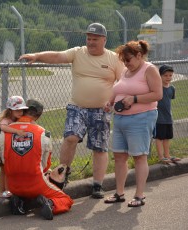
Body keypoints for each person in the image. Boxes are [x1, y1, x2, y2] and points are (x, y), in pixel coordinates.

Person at [18, 23, 124, 199]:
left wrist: (116, 102)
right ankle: (62, 175)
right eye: (88, 38)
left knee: (100, 147)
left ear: (104, 40)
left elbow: (123, 83)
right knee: (70, 137)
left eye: (95, 39)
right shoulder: (78, 52)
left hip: (101, 110)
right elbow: (57, 56)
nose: (90, 42)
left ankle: (97, 185)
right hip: (77, 107)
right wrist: (37, 56)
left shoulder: (114, 59)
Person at [0, 99, 74, 220]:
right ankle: (51, 204)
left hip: (12, 186)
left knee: (23, 188)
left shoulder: (2, 132)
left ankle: (19, 200)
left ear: (22, 110)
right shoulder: (44, 134)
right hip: (36, 184)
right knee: (65, 199)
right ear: (38, 116)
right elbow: (45, 166)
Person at [103, 40, 162, 207]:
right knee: (120, 156)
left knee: (139, 156)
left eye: (128, 60)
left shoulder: (149, 69)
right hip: (121, 119)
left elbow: (158, 95)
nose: (126, 63)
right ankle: (119, 193)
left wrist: (135, 99)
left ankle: (139, 195)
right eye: (124, 61)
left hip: (141, 118)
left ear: (139, 55)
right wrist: (110, 102)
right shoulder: (126, 71)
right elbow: (119, 89)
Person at [154, 65, 181, 164]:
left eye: (170, 75)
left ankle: (167, 155)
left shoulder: (172, 88)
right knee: (159, 138)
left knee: (167, 138)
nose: (168, 78)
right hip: (158, 118)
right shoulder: (157, 88)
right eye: (165, 75)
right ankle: (161, 157)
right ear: (160, 76)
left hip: (168, 118)